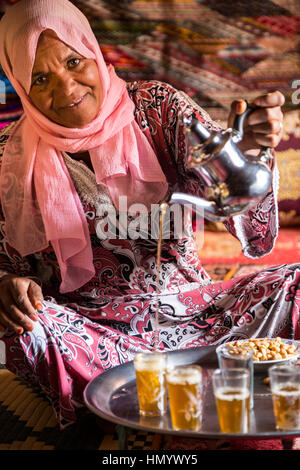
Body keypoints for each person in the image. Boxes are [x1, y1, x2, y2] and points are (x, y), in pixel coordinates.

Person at [0, 0, 297, 429]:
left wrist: (248, 152)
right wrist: (9, 286)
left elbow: (237, 207)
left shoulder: (160, 109)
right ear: (20, 85)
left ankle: (126, 401)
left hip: (204, 320)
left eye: (73, 61)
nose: (65, 88)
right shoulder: (9, 161)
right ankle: (188, 390)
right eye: (40, 77)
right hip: (93, 335)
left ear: (94, 52)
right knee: (26, 327)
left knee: (296, 284)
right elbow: (6, 271)